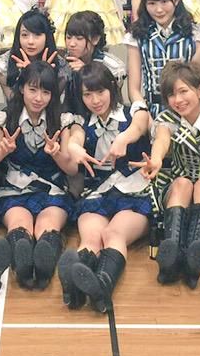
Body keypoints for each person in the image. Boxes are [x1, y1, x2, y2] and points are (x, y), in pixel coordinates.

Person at [134, 62, 200, 289]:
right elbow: (162, 140)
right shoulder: (167, 120)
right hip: (181, 197)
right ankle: (172, 257)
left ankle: (193, 258)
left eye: (183, 91)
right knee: (181, 182)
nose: (177, 100)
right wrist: (156, 159)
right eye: (171, 95)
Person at [0, 61, 77, 290]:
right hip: (13, 189)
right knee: (19, 224)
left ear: (53, 95)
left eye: (46, 92)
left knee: (47, 227)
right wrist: (3, 151)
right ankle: (22, 266)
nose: (38, 98)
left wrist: (57, 154)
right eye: (33, 90)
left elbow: (72, 169)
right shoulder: (5, 119)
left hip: (52, 189)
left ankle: (44, 268)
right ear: (22, 88)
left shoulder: (62, 121)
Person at [62, 62, 151, 311]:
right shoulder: (81, 121)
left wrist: (124, 138)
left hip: (134, 191)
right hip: (97, 191)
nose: (95, 100)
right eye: (87, 94)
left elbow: (139, 126)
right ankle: (74, 288)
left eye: (100, 92)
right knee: (91, 238)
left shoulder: (134, 111)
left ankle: (102, 286)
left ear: (112, 87)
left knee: (113, 234)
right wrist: (74, 147)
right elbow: (75, 138)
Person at [125, 0, 200, 119]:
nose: (159, 9)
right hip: (153, 110)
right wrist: (144, 115)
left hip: (189, 109)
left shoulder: (194, 32)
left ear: (176, 0)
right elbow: (133, 89)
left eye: (164, 2)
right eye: (152, 3)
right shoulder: (137, 35)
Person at [61, 10, 126, 116]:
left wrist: (87, 73)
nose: (72, 44)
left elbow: (114, 100)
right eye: (68, 37)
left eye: (79, 38)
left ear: (95, 39)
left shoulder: (112, 66)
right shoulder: (62, 64)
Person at [0, 8, 61, 101]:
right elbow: (14, 104)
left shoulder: (59, 66)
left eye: (37, 35)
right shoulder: (3, 65)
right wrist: (27, 74)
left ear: (47, 36)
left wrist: (45, 73)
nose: (30, 41)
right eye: (25, 35)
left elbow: (53, 103)